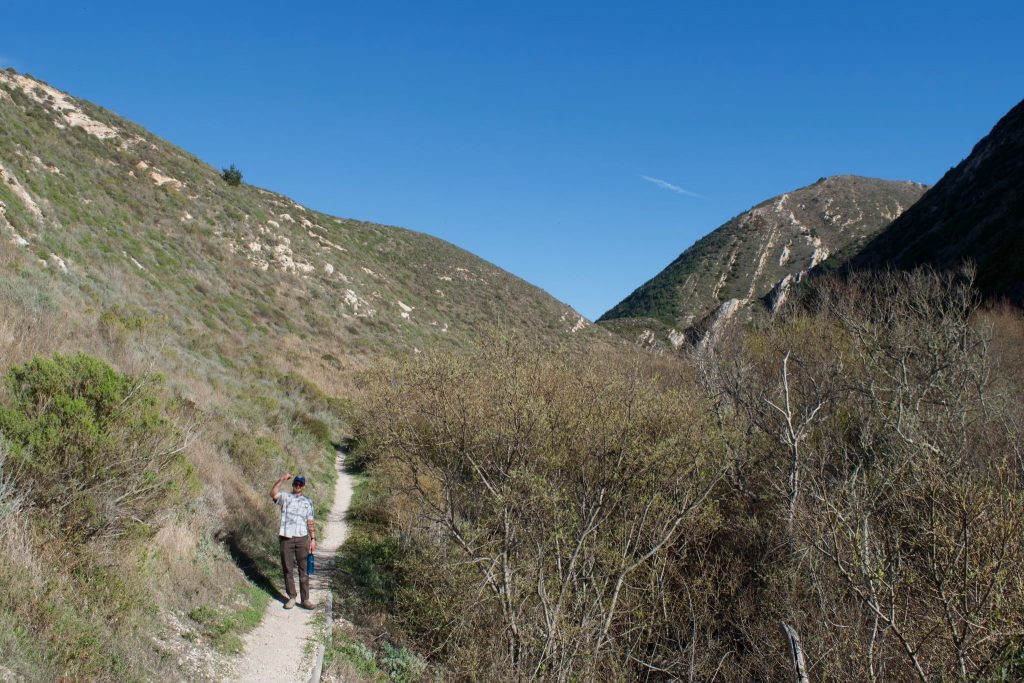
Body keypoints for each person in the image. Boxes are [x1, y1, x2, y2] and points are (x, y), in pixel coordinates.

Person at [270, 472, 316, 609]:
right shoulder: (285, 497)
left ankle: (305, 599)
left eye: (300, 484)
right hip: (286, 538)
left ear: (303, 486)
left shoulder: (308, 502)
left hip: (302, 538)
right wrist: (281, 479)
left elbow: (310, 521)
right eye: (296, 483)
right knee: (288, 569)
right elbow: (273, 494)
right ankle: (291, 597)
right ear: (293, 484)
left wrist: (313, 539)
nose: (297, 486)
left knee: (304, 569)